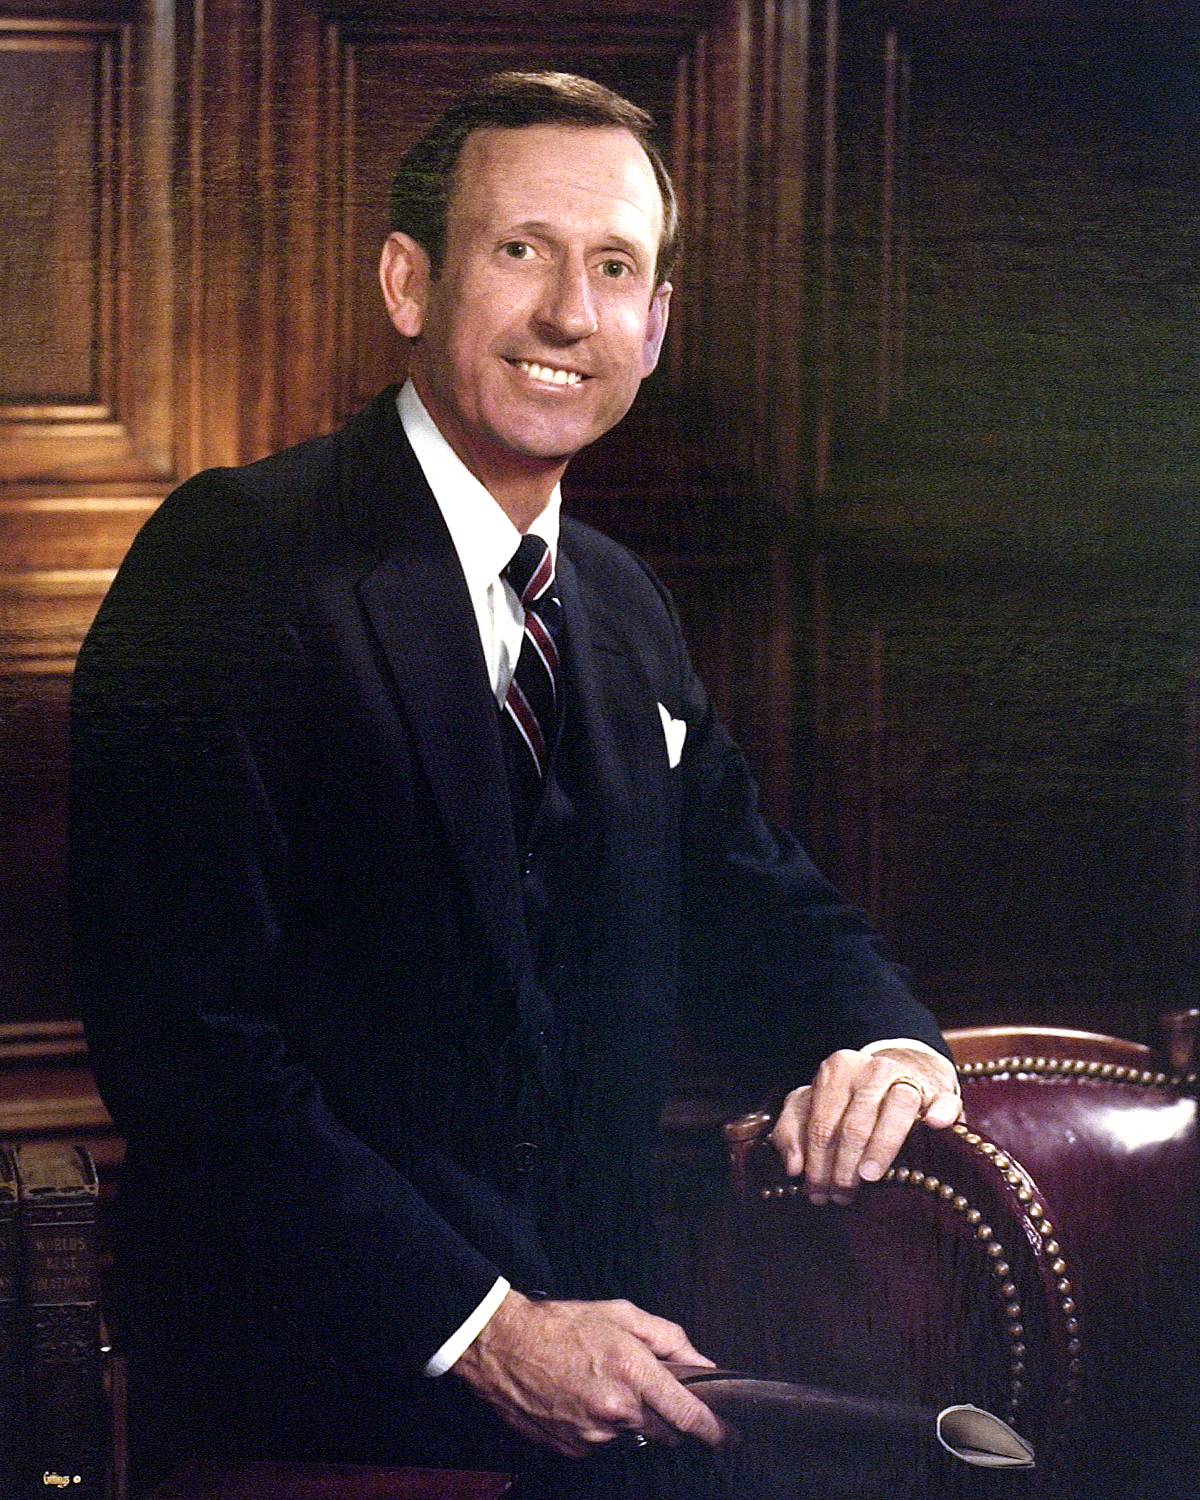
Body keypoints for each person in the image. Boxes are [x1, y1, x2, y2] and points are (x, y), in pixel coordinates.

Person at [70, 71, 961, 1498]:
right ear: (409, 283)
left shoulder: (619, 605)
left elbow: (764, 907)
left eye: (615, 268)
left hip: (621, 1390)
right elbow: (189, 1048)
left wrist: (897, 1058)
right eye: (521, 251)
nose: (569, 314)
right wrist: (486, 1332)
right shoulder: (232, 560)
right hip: (325, 1409)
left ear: (654, 329)